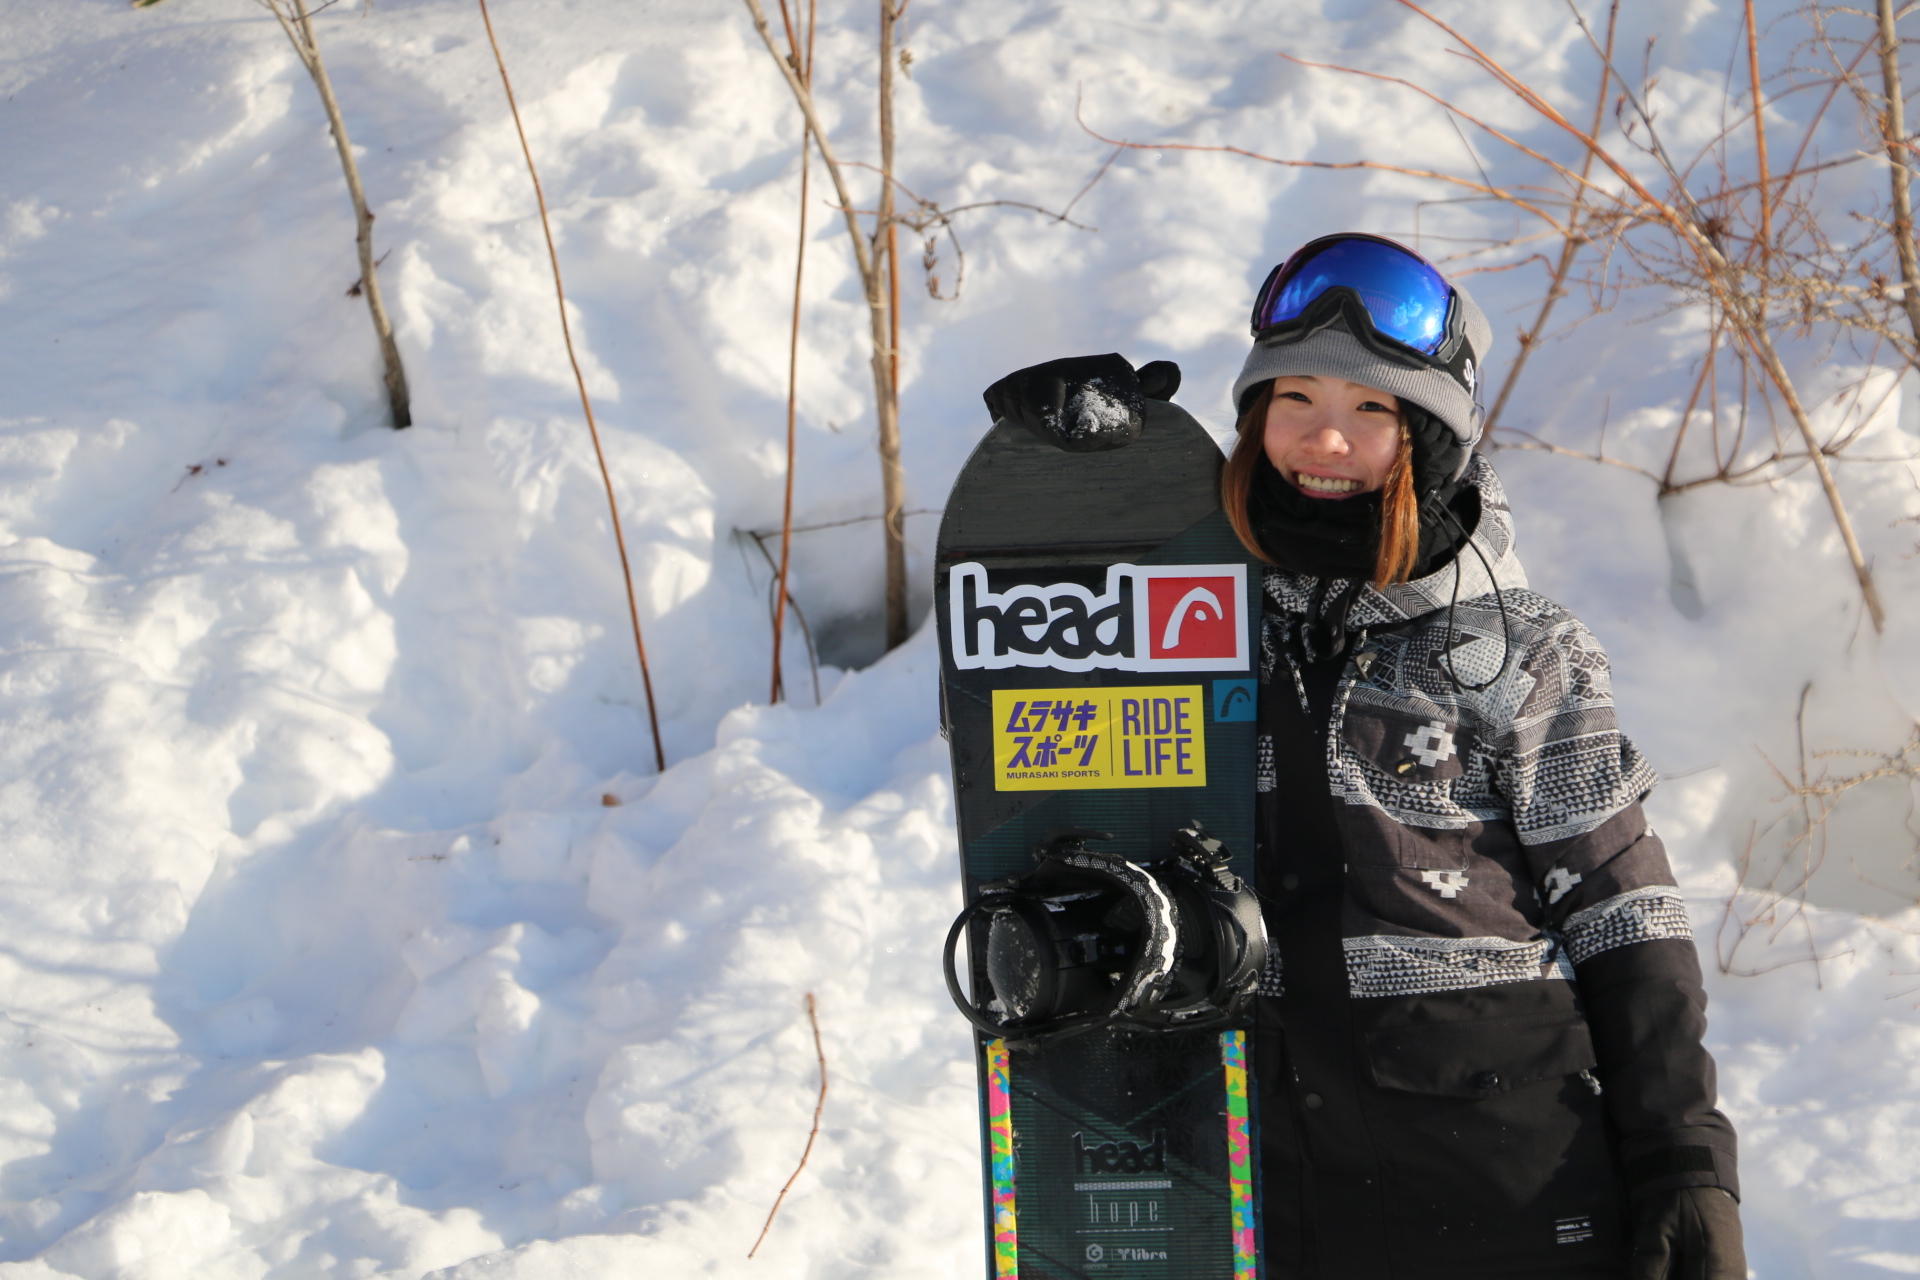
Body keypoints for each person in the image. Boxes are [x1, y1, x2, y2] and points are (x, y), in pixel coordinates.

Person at [982, 233, 1745, 1280]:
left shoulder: (1521, 648)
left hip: (1510, 1181)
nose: (1323, 440)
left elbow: (1622, 910)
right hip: (1265, 1182)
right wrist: (1069, 495)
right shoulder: (1186, 625)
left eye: (1372, 410)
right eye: (1293, 398)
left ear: (1429, 438)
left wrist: (1685, 1159)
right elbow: (1014, 737)